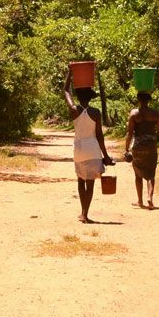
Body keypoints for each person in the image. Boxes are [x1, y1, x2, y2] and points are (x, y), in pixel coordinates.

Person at [64, 84, 114, 223]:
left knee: (80, 181)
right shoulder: (96, 112)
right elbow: (99, 135)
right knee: (90, 184)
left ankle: (82, 213)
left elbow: (66, 90)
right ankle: (85, 213)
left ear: (78, 97)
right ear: (90, 98)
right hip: (93, 149)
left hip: (79, 149)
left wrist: (70, 73)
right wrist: (106, 156)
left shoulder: (74, 110)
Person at [124, 90, 159, 209]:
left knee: (138, 175)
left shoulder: (134, 114)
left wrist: (126, 148)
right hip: (151, 146)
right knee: (150, 174)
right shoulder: (154, 113)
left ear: (138, 100)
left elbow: (129, 133)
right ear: (148, 100)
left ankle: (140, 201)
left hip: (137, 147)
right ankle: (150, 197)